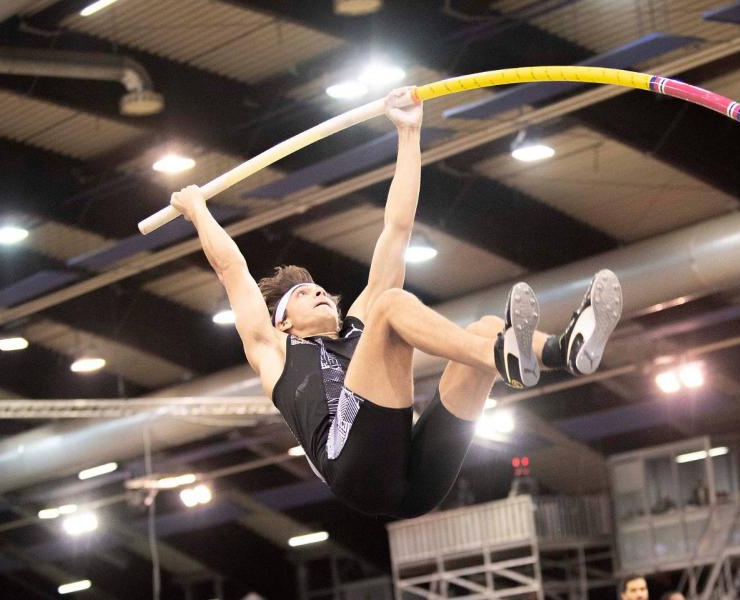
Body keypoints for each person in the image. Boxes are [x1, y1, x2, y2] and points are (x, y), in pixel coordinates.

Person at [170, 87, 623, 519]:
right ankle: (503, 357)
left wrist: (409, 133)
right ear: (283, 321)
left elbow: (397, 229)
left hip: (414, 481)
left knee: (486, 326)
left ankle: (558, 350)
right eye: (305, 295)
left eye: (321, 289)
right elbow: (232, 269)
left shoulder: (356, 327)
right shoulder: (272, 350)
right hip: (353, 470)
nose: (320, 293)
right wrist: (198, 210)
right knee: (390, 305)